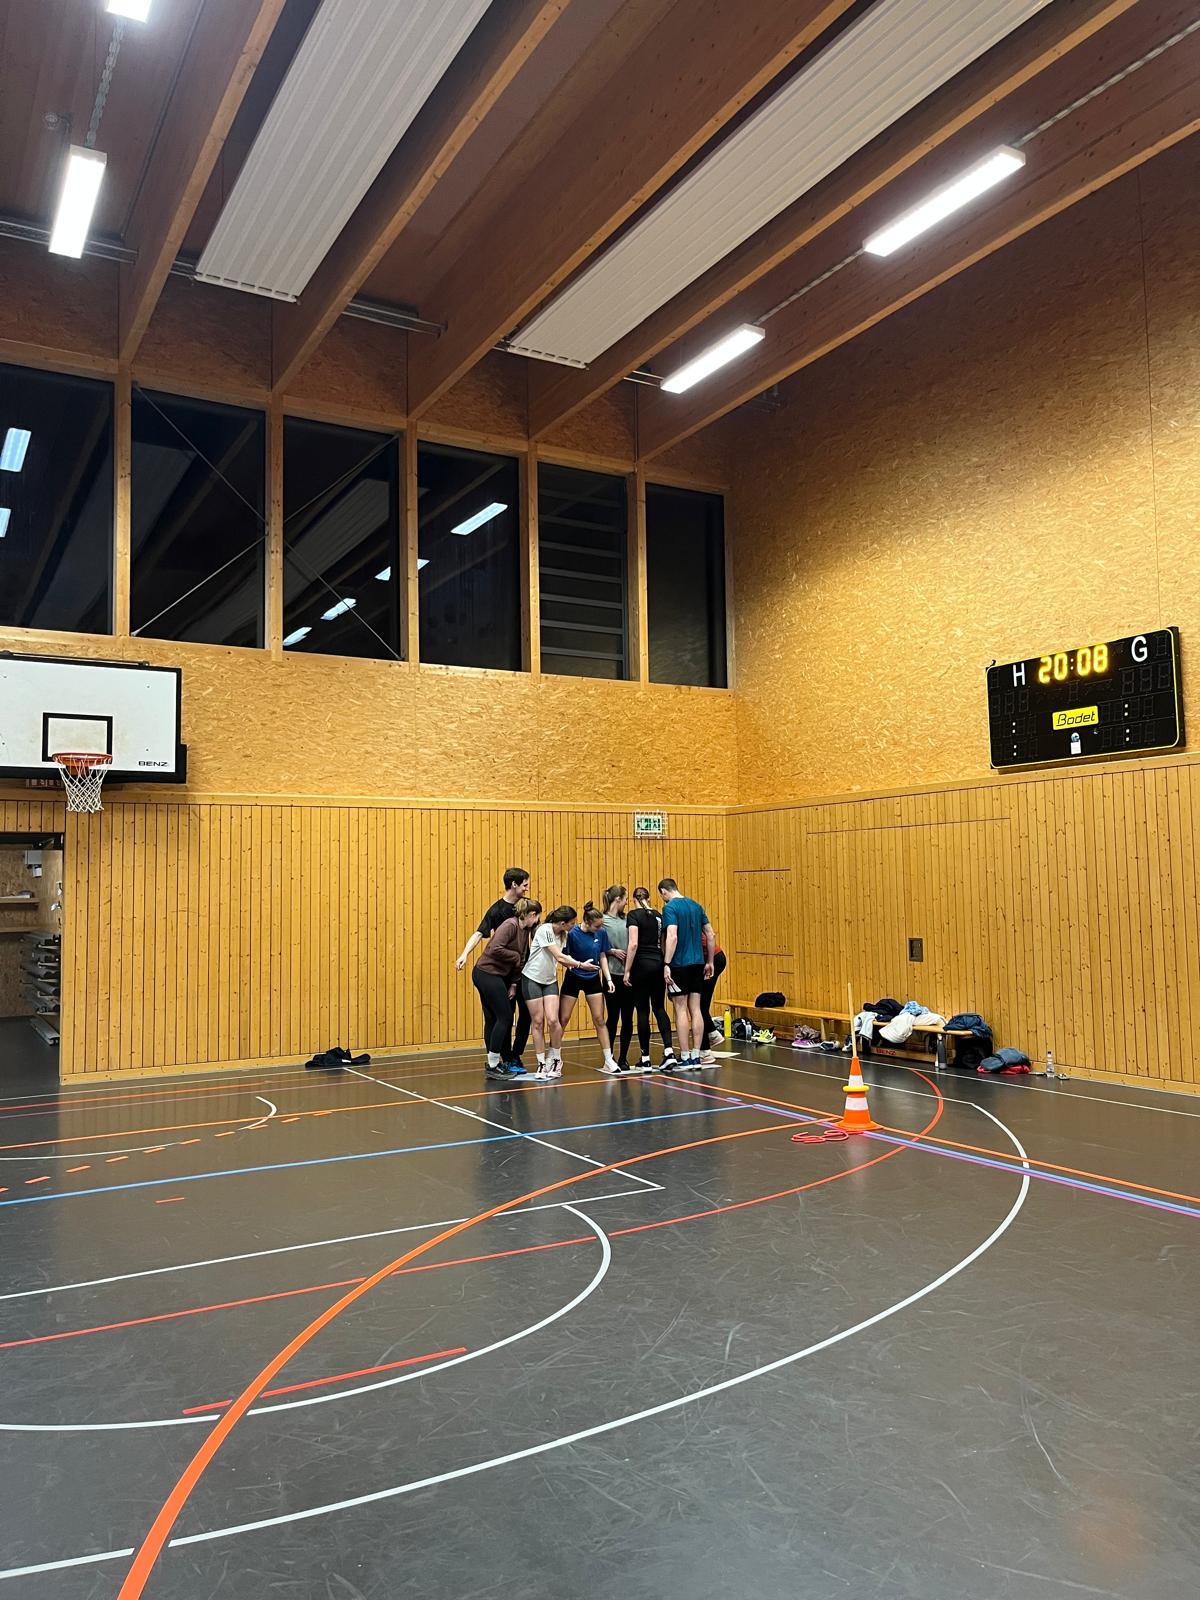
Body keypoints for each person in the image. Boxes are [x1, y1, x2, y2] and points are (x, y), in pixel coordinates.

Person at [456, 867, 532, 1069]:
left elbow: (535, 932)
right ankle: (503, 1057)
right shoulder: (497, 910)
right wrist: (465, 954)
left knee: (525, 1013)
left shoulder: (526, 907)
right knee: (502, 1015)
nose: (527, 888)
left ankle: (515, 1054)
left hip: (520, 970)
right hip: (501, 971)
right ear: (514, 885)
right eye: (525, 885)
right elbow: (479, 933)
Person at [521, 905, 596, 1078]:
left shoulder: (564, 935)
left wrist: (573, 963)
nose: (574, 926)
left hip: (549, 981)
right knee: (538, 1021)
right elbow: (559, 956)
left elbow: (563, 959)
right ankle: (541, 1063)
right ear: (563, 923)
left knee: (554, 1020)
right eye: (572, 923)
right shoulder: (544, 930)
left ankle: (556, 1059)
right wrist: (580, 965)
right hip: (532, 979)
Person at [472, 899, 541, 1080]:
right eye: (537, 918)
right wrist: (515, 955)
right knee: (505, 1017)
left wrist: (514, 984)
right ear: (531, 915)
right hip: (486, 973)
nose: (537, 922)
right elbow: (494, 948)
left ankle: (493, 1063)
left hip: (496, 975)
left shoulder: (524, 931)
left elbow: (521, 960)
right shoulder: (510, 925)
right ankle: (493, 1065)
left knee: (493, 1019)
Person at [659, 878, 717, 1071]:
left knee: (680, 1009)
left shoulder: (670, 908)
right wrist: (709, 961)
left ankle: (684, 1056)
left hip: (679, 964)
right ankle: (696, 1055)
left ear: (664, 892)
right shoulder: (696, 906)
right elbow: (710, 934)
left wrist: (667, 963)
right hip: (698, 963)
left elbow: (672, 936)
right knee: (696, 1009)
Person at [559, 903, 622, 1074]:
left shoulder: (601, 933)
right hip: (573, 977)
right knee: (563, 1019)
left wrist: (608, 979)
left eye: (601, 926)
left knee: (599, 1019)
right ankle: (553, 1057)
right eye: (596, 926)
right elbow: (564, 957)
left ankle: (608, 1060)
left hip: (593, 978)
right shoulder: (572, 934)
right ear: (586, 922)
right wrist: (576, 966)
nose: (599, 929)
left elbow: (602, 956)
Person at [624, 886, 675, 1071]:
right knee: (659, 1007)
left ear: (633, 900)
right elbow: (663, 943)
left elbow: (633, 944)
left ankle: (645, 1058)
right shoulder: (659, 916)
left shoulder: (633, 915)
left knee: (643, 1010)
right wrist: (665, 964)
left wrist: (627, 970)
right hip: (658, 963)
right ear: (649, 898)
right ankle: (669, 1051)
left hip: (641, 966)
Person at [600, 884, 635, 1069]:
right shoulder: (603, 920)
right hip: (611, 974)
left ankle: (623, 1057)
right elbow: (597, 944)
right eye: (625, 898)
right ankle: (610, 1056)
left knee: (628, 1018)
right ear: (617, 899)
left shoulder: (628, 919)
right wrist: (611, 951)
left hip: (628, 974)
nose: (627, 902)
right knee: (613, 1017)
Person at [697, 938, 728, 1067]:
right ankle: (712, 1034)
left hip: (713, 959)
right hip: (714, 957)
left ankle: (705, 1051)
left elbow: (710, 935)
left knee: (699, 1007)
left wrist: (710, 962)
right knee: (701, 1006)